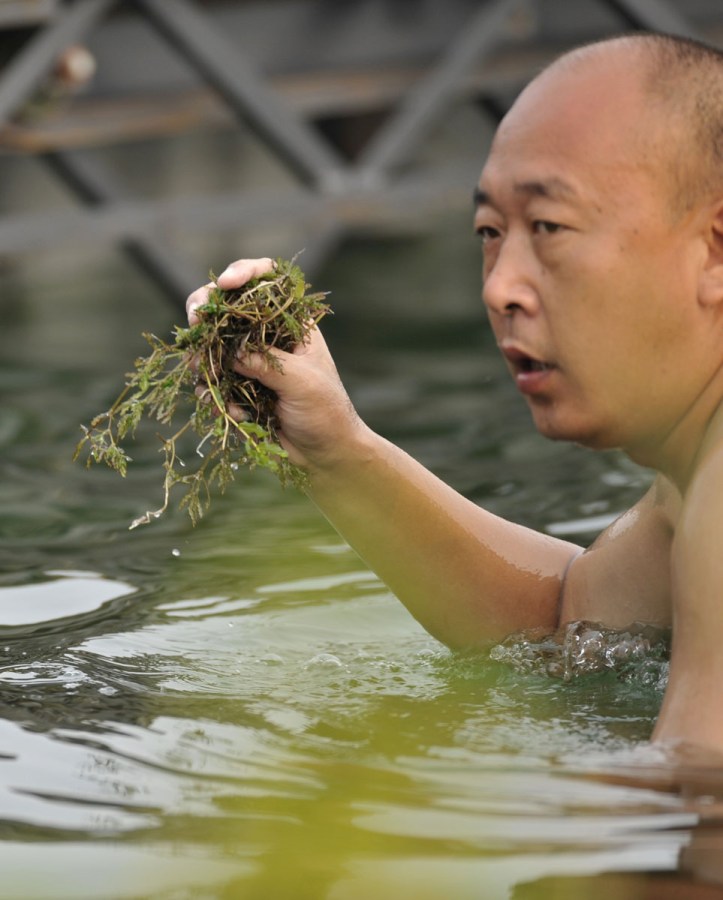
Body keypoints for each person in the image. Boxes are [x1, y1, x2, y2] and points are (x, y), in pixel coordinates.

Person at [187, 33, 723, 754]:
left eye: (548, 227)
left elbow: (694, 799)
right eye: (489, 232)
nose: (499, 286)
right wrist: (335, 450)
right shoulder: (692, 480)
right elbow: (565, 624)